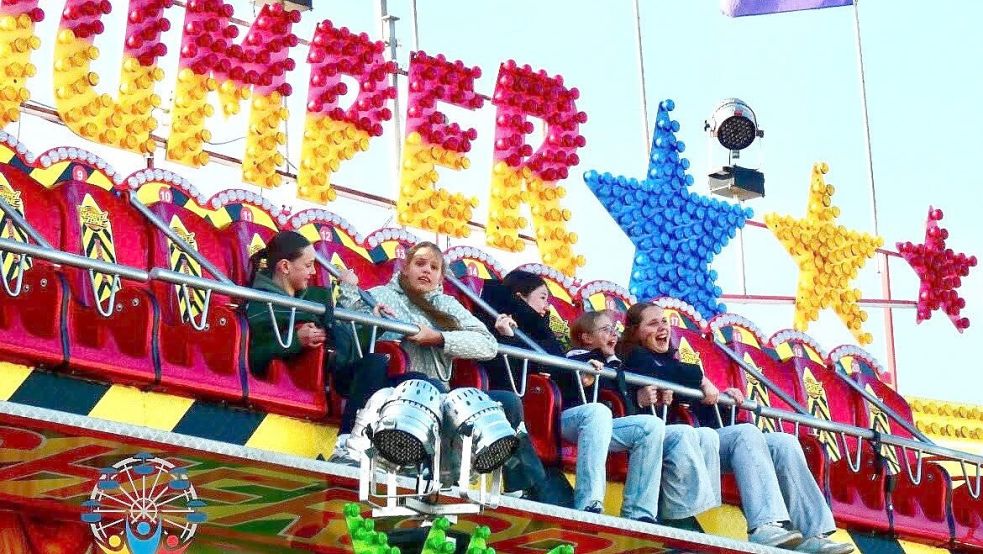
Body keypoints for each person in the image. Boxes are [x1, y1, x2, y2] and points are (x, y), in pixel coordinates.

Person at [617, 301, 854, 554]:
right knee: (745, 434)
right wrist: (702, 380)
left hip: (702, 439)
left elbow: (703, 410)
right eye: (653, 323)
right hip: (671, 443)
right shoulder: (635, 358)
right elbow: (674, 375)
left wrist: (725, 400)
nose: (662, 327)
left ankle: (815, 532)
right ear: (635, 332)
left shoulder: (671, 363)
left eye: (664, 321)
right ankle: (764, 526)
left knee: (784, 442)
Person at [337, 242, 563, 505]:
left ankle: (520, 488)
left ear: (441, 277)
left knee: (508, 401)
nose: (426, 271)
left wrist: (439, 338)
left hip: (440, 394)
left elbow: (487, 344)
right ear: (405, 268)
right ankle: (352, 451)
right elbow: (347, 327)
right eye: (420, 264)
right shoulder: (381, 296)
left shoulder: (448, 305)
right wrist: (359, 299)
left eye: (434, 267)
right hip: (396, 390)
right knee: (424, 383)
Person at [565, 310, 720, 525]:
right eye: (606, 330)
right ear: (587, 338)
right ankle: (588, 503)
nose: (613, 334)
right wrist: (588, 370)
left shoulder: (616, 364)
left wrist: (640, 399)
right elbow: (566, 381)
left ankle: (640, 512)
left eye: (614, 330)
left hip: (606, 426)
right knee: (598, 411)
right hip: (572, 421)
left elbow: (623, 400)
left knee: (652, 424)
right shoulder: (575, 357)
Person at [243, 231, 391, 437]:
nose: (313, 271)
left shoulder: (315, 299)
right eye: (308, 265)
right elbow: (253, 356)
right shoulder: (260, 304)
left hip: (334, 373)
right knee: (374, 365)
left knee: (406, 377)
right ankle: (349, 439)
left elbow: (345, 342)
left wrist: (376, 324)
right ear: (285, 266)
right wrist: (296, 340)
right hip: (303, 379)